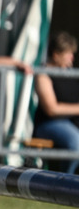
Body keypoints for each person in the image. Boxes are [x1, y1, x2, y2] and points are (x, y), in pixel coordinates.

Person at [32, 31, 79, 174]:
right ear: (56, 54)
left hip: (72, 122)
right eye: (68, 53)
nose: (72, 57)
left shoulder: (72, 73)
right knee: (76, 143)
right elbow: (51, 109)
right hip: (49, 124)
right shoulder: (43, 73)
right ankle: (67, 181)